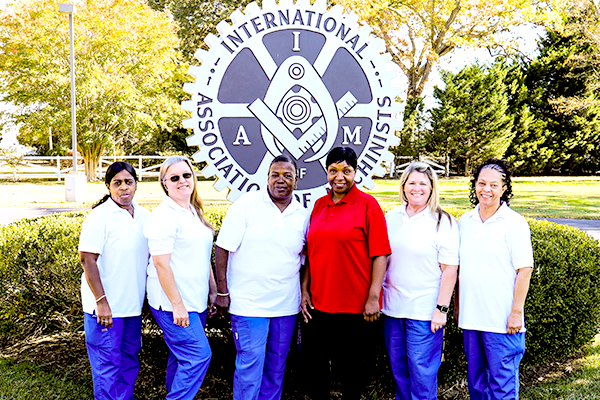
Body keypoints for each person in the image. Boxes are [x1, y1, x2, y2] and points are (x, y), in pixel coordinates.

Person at [214, 154, 310, 400]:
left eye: (287, 176)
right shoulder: (247, 204)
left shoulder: (303, 215)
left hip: (285, 307)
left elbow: (306, 259)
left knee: (276, 368)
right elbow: (222, 248)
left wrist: (304, 292)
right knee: (249, 366)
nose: (281, 180)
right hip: (248, 305)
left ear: (296, 181)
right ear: (266, 178)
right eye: (275, 175)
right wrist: (223, 292)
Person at [301, 146, 391, 400]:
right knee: (316, 372)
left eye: (346, 171)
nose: (339, 177)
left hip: (355, 307)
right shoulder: (319, 205)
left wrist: (374, 297)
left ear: (356, 173)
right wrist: (304, 290)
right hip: (318, 306)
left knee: (352, 373)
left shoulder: (368, 206)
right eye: (333, 170)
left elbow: (380, 254)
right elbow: (309, 252)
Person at [382, 162, 459, 400]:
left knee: (422, 372)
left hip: (425, 311)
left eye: (423, 184)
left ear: (432, 188)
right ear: (403, 186)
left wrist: (441, 310)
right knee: (399, 371)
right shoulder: (390, 218)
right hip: (392, 309)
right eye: (412, 183)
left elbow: (450, 269)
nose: (417, 188)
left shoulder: (442, 221)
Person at [458, 158, 534, 400]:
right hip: (471, 320)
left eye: (493, 184)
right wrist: (459, 306)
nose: (486, 189)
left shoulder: (515, 223)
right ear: (475, 185)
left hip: (502, 322)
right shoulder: (464, 222)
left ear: (504, 188)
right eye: (481, 183)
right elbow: (461, 270)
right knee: (477, 383)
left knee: (502, 386)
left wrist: (516, 312)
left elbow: (525, 270)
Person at [143, 155, 216, 400]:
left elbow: (203, 255)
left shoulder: (193, 210)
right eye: (174, 178)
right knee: (198, 355)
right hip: (173, 303)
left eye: (186, 175)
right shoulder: (164, 216)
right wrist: (178, 306)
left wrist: (213, 289)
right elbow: (161, 265)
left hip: (196, 300)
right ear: (164, 183)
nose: (182, 181)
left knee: (181, 356)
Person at [78, 161, 150, 400]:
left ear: (136, 184)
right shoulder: (99, 217)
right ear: (108, 186)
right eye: (117, 183)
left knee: (129, 359)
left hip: (132, 306)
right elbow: (87, 260)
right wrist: (101, 301)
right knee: (107, 364)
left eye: (128, 182)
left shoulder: (144, 216)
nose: (123, 188)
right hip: (105, 308)